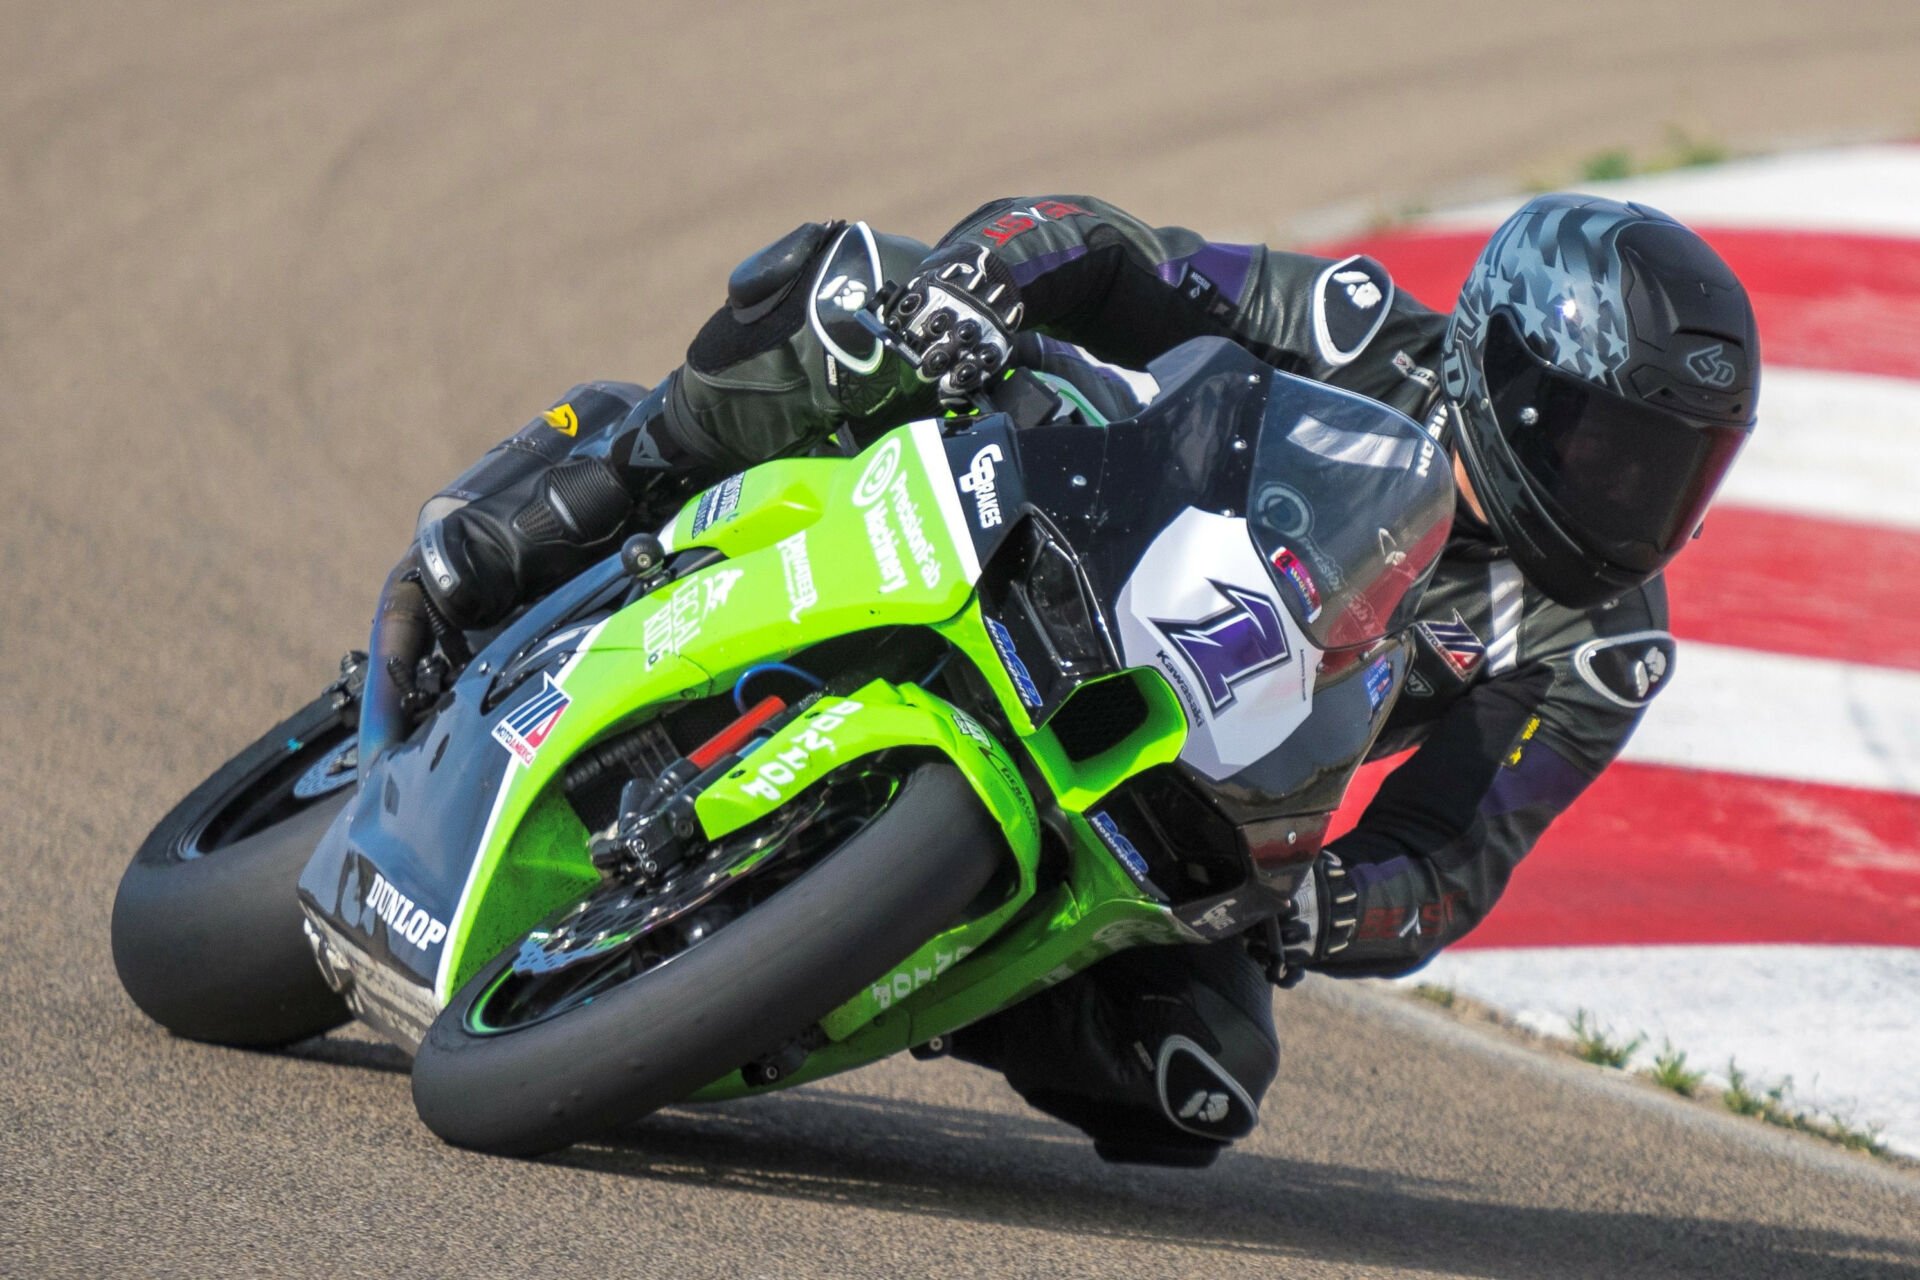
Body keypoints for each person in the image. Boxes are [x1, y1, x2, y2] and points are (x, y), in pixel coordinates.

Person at [406, 193, 1760, 1165]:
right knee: (847, 292)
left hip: (1183, 787)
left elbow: (1455, 852)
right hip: (1052, 555)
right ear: (1510, 376)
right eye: (1608, 448)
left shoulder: (1601, 647)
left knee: (1198, 1090)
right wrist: (994, 278)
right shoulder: (1357, 330)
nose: (1635, 501)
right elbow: (1116, 254)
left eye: (1676, 470)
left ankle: (872, 953)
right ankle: (601, 484)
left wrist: (1339, 906)